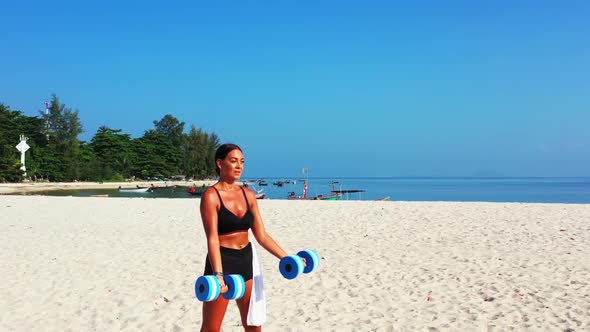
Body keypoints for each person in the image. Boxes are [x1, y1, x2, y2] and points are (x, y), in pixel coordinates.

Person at [200, 143, 289, 332]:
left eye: (242, 162)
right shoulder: (211, 196)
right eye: (233, 161)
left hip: (246, 261)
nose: (239, 166)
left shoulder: (248, 194)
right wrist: (218, 275)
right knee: (211, 328)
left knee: (254, 324)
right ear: (219, 163)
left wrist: (286, 257)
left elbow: (262, 235)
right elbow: (213, 238)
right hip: (222, 261)